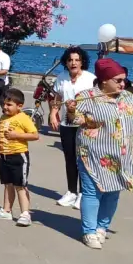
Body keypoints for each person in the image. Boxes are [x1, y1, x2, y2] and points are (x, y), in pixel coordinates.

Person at [67, 58, 133, 250]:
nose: (122, 84)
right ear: (104, 80)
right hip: (93, 154)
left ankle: (101, 228)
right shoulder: (86, 97)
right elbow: (75, 120)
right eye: (118, 80)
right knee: (92, 192)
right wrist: (71, 111)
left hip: (120, 155)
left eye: (124, 80)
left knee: (112, 193)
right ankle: (89, 231)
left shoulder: (128, 97)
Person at [0, 88, 39, 227]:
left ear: (19, 106)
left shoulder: (23, 118)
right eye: (4, 104)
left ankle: (25, 214)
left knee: (20, 186)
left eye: (9, 105)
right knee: (7, 184)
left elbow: (34, 135)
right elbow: (2, 133)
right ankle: (6, 210)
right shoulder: (3, 117)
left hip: (18, 156)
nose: (5, 107)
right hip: (3, 156)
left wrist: (17, 135)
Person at [50, 46, 95, 209]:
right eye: (70, 60)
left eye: (77, 60)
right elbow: (57, 97)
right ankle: (71, 191)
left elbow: (97, 100)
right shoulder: (61, 77)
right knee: (69, 158)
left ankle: (83, 193)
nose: (73, 63)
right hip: (66, 123)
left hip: (84, 124)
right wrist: (53, 113)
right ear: (66, 62)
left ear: (82, 62)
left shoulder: (90, 79)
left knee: (83, 159)